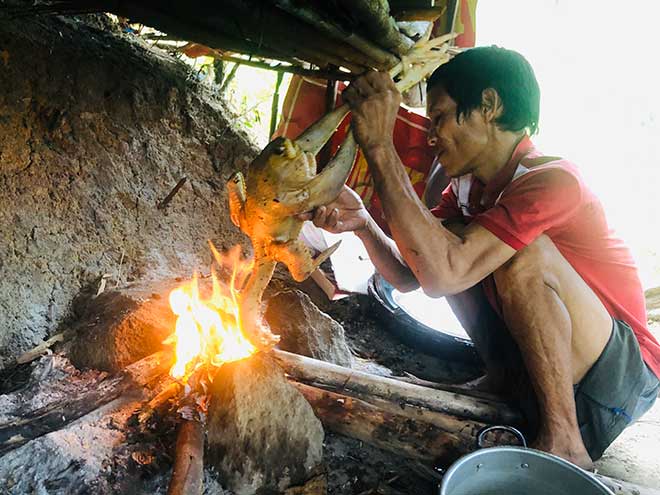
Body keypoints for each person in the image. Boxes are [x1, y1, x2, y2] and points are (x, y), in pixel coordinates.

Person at [301, 46, 660, 468]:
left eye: (440, 118)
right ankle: (504, 379)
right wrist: (363, 223)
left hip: (620, 378)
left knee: (521, 254)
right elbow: (414, 272)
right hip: (567, 371)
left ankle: (564, 440)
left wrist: (381, 146)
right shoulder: (469, 189)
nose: (431, 136)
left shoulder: (554, 182)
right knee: (450, 241)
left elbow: (447, 274)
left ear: (488, 106)